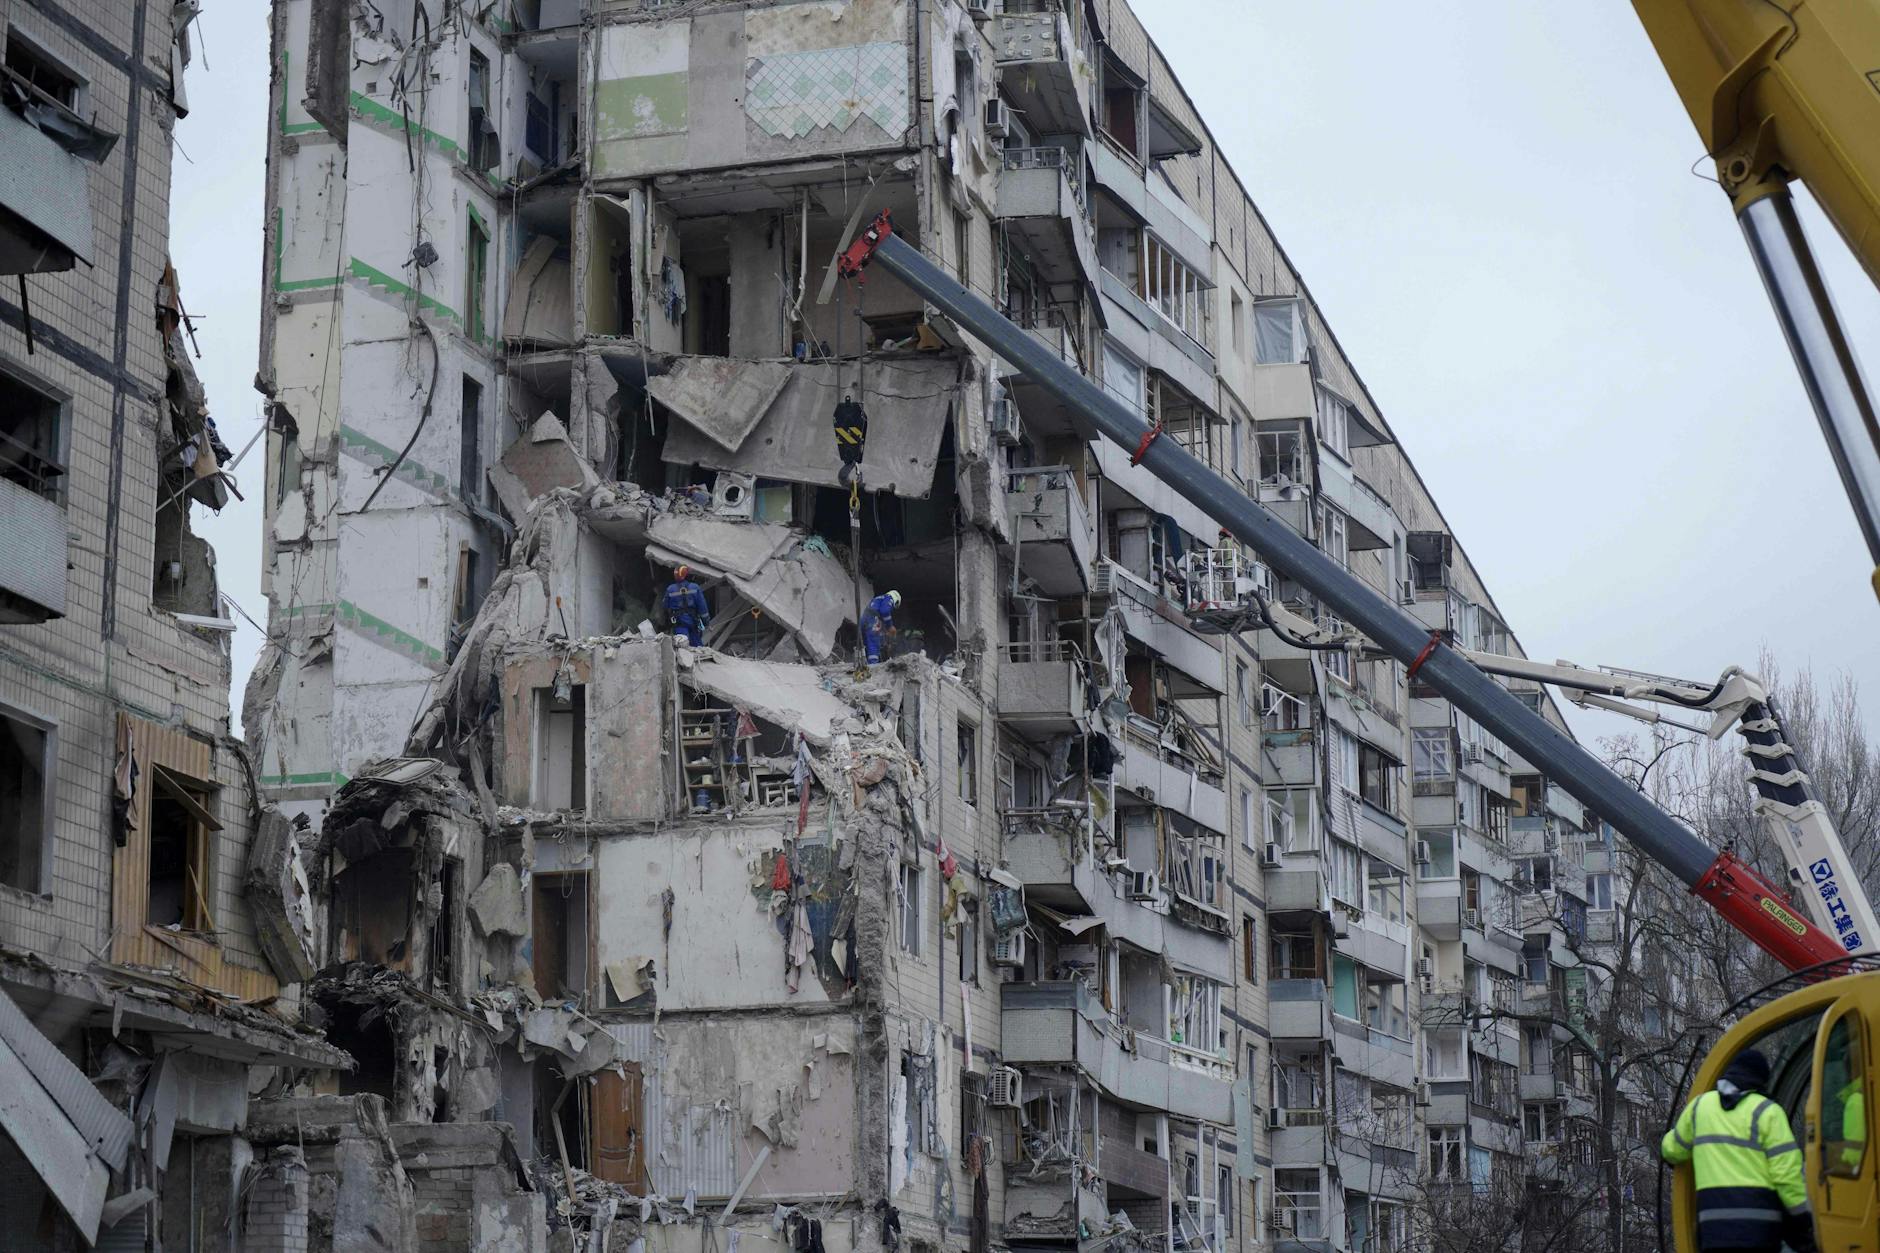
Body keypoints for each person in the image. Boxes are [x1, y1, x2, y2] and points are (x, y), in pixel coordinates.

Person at [1661, 1049, 1815, 1253]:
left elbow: (1671, 1150)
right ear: (1761, 1080)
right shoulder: (1767, 1112)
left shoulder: (1700, 1107)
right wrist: (1803, 1219)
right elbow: (1786, 1175)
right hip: (1760, 1233)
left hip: (1713, 1234)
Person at [664, 565, 711, 646]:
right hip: (693, 622)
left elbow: (665, 606)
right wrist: (706, 623)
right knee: (698, 648)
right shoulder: (695, 587)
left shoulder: (670, 589)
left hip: (679, 623)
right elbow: (703, 608)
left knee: (681, 647)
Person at [861, 589, 901, 664]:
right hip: (872, 619)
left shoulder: (879, 598)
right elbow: (885, 611)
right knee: (874, 642)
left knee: (865, 643)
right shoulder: (889, 598)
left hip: (864, 618)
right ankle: (873, 666)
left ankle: (864, 663)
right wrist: (890, 626)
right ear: (896, 600)